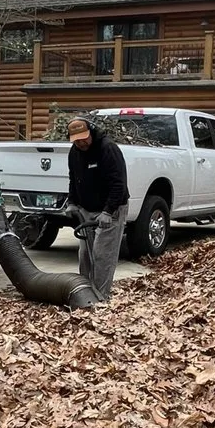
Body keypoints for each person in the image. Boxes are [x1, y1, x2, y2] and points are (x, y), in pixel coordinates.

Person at [65, 114, 130, 302]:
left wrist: (108, 211)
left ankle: (101, 299)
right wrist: (72, 202)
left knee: (103, 257)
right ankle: (85, 295)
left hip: (110, 211)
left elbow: (119, 184)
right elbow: (73, 179)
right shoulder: (74, 152)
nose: (82, 143)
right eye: (77, 141)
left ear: (90, 132)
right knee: (85, 256)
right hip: (86, 210)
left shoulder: (107, 149)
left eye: (84, 138)